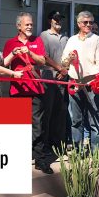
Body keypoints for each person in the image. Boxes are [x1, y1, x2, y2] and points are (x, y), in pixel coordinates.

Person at [3, 12, 54, 174]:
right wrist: (14, 53)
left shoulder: (36, 41)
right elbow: (4, 65)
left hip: (35, 89)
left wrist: (29, 52)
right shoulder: (10, 43)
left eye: (31, 24)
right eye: (27, 24)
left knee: (37, 125)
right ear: (19, 26)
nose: (30, 27)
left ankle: (39, 160)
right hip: (17, 89)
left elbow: (42, 60)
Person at [62, 11, 99, 150]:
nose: (88, 25)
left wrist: (84, 79)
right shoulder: (72, 40)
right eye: (85, 22)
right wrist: (69, 58)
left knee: (95, 121)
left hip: (91, 85)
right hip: (74, 85)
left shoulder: (97, 40)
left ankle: (96, 154)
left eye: (91, 22)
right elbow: (64, 62)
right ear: (79, 24)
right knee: (76, 120)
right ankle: (77, 152)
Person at [39, 11, 70, 151]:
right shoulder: (44, 35)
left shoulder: (66, 38)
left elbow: (69, 58)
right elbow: (44, 56)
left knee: (61, 112)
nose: (58, 21)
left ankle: (58, 143)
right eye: (55, 19)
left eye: (60, 19)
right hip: (49, 78)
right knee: (48, 112)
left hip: (63, 79)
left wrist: (65, 70)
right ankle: (46, 144)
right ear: (49, 20)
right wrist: (59, 69)